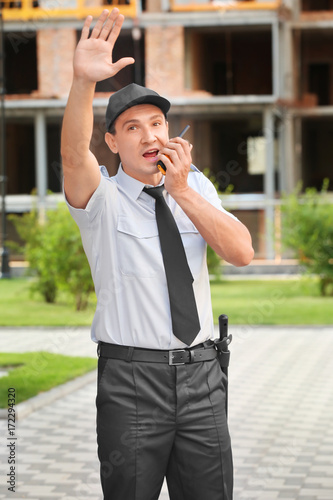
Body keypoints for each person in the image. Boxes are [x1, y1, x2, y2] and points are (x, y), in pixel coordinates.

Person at [61, 8, 254, 500]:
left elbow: (241, 252)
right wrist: (84, 81)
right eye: (132, 128)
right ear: (112, 141)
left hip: (203, 378)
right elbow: (72, 155)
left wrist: (183, 190)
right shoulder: (99, 200)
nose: (150, 136)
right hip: (131, 383)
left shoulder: (196, 186)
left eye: (158, 123)